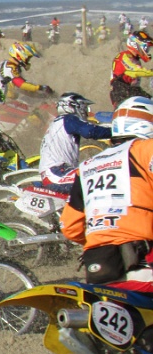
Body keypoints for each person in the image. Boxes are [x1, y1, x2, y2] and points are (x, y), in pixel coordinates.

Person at [61, 97, 153, 292]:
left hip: (98, 269)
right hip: (143, 261)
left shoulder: (86, 167)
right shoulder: (146, 150)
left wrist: (104, 235)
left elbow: (70, 227)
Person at [37, 93, 111, 194]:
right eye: (83, 108)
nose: (85, 112)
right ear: (72, 107)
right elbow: (90, 131)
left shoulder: (56, 124)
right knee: (99, 180)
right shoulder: (67, 119)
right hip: (57, 173)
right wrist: (115, 131)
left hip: (53, 174)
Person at [110, 31, 153, 107]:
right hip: (122, 91)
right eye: (146, 48)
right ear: (136, 44)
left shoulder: (134, 58)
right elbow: (136, 71)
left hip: (132, 90)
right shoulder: (125, 56)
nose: (147, 51)